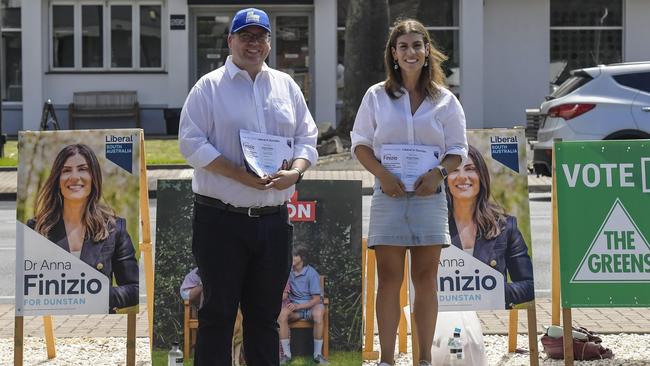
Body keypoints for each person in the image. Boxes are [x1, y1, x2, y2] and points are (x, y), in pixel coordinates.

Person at [178, 7, 318, 365]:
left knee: (265, 319)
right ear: (230, 41)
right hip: (220, 220)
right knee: (217, 317)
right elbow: (191, 144)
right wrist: (238, 174)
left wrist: (296, 173)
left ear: (269, 43)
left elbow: (307, 139)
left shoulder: (286, 86)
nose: (253, 44)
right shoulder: (208, 87)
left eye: (260, 36)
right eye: (245, 36)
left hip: (273, 220)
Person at [351, 19, 468, 366]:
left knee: (426, 280)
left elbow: (458, 149)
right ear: (393, 53)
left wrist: (439, 173)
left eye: (417, 45)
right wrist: (382, 175)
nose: (411, 52)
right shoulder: (376, 96)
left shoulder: (445, 101)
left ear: (427, 49)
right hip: (388, 195)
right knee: (388, 279)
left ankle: (423, 360)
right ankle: (387, 359)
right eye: (403, 46)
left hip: (429, 197)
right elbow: (360, 144)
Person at [27, 144, 139, 313]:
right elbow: (26, 288)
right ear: (57, 179)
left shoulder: (115, 229)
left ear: (93, 177)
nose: (74, 177)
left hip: (100, 323)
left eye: (82, 169)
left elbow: (134, 289)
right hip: (53, 324)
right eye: (66, 170)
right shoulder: (35, 229)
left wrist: (97, 295)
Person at [446, 145, 534, 308]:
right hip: (444, 320)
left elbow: (528, 285)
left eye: (470, 169)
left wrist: (488, 290)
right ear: (445, 178)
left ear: (481, 176)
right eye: (454, 170)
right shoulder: (434, 228)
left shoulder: (506, 226)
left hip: (492, 314)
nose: (462, 176)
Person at [277, 246, 328, 365]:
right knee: (282, 314)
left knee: (318, 313)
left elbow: (316, 299)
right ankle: (286, 355)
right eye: (291, 256)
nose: (292, 258)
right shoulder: (288, 272)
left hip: (311, 307)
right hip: (296, 310)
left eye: (295, 256)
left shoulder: (311, 273)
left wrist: (298, 306)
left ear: (302, 258)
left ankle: (317, 355)